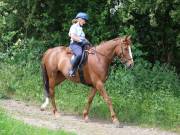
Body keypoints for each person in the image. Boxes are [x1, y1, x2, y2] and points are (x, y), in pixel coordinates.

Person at [68, 12, 90, 77]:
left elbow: (83, 38)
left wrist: (87, 42)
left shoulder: (81, 28)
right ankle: (72, 70)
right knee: (79, 54)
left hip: (81, 44)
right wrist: (81, 41)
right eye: (84, 20)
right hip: (75, 44)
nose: (85, 22)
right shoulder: (74, 27)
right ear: (80, 19)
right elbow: (73, 36)